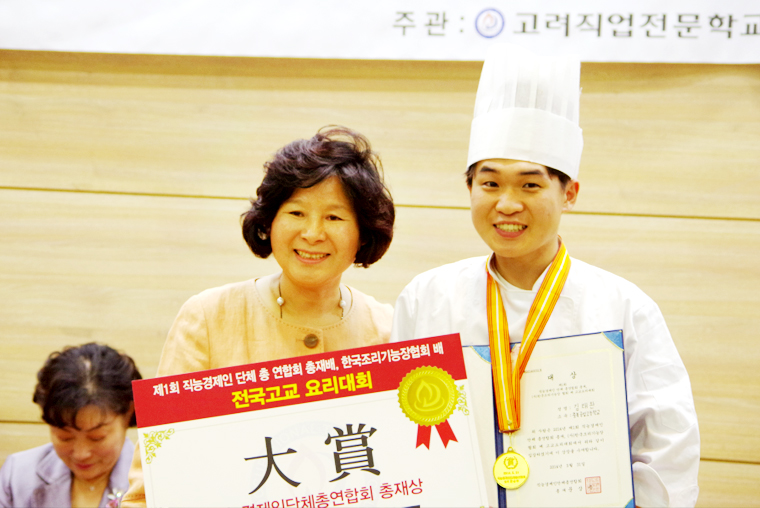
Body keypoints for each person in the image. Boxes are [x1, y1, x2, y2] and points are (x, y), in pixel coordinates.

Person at [391, 44, 699, 507]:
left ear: (569, 193)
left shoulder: (623, 306)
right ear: (469, 188)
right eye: (490, 183)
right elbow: (401, 429)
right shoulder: (427, 297)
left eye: (530, 185)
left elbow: (667, 447)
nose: (507, 204)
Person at [121, 125, 395, 506]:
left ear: (363, 234)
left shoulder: (389, 331)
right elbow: (152, 485)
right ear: (269, 222)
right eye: (296, 212)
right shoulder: (208, 318)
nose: (312, 233)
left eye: (334, 217)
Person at [0, 343, 142, 508]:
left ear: (128, 413)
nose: (81, 454)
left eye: (97, 438)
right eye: (65, 437)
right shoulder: (18, 475)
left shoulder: (152, 479)